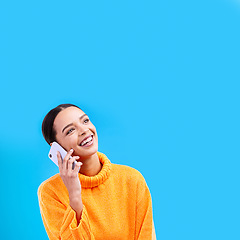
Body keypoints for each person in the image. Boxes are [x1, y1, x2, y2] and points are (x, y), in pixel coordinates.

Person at [38, 103, 156, 240]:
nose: (84, 130)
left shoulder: (132, 179)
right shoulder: (51, 192)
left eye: (85, 121)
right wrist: (75, 196)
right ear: (57, 147)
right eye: (70, 130)